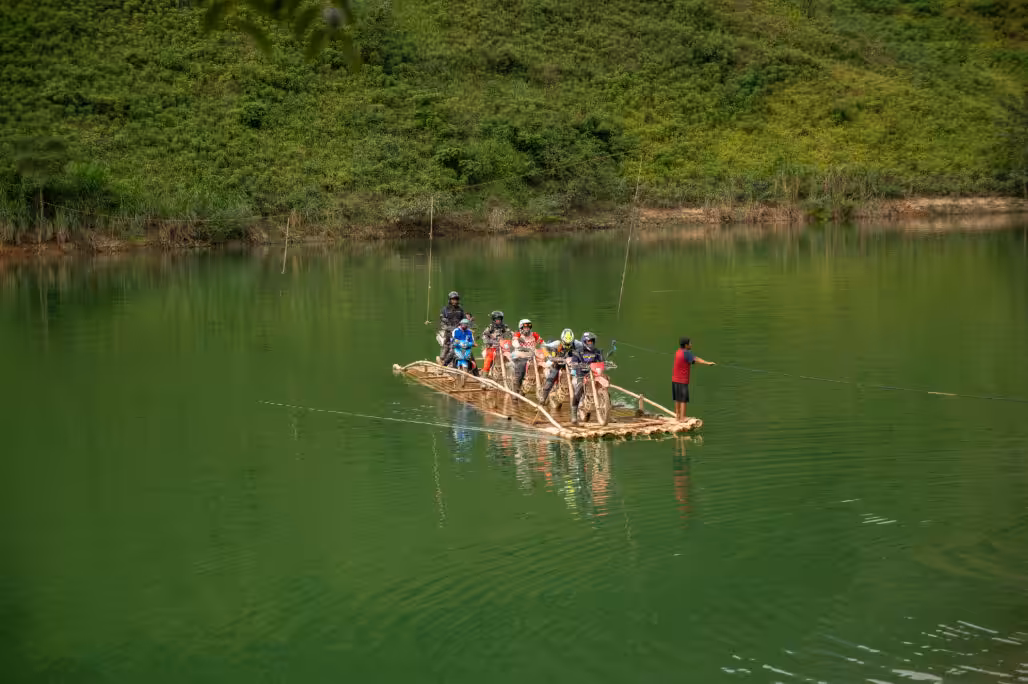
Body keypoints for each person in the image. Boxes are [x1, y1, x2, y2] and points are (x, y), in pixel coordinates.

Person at [672, 336, 714, 421]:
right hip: (682, 380)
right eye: (690, 343)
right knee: (683, 400)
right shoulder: (687, 353)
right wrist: (708, 363)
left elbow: (695, 357)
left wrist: (707, 362)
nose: (691, 344)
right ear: (686, 345)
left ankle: (677, 417)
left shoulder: (678, 351)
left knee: (677, 398)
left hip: (675, 379)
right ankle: (683, 418)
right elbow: (695, 360)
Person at [569, 331, 605, 424]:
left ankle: (607, 411)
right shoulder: (578, 352)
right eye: (589, 341)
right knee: (578, 391)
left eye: (592, 341)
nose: (591, 343)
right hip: (581, 374)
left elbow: (601, 361)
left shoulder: (597, 351)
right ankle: (573, 415)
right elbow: (573, 362)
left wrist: (606, 364)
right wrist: (575, 365)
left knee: (605, 388)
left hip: (594, 374)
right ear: (584, 342)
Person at [539, 328, 581, 404]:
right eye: (566, 343)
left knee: (580, 379)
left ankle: (581, 399)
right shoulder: (557, 344)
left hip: (572, 364)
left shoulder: (577, 343)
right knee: (551, 378)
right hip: (558, 363)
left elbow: (585, 347)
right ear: (562, 340)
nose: (568, 345)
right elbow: (544, 346)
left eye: (570, 343)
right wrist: (548, 356)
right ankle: (542, 399)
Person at [438, 291, 471, 366]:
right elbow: (442, 322)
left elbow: (465, 320)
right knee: (446, 348)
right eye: (453, 299)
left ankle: (472, 368)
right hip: (449, 332)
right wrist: (448, 328)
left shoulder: (461, 309)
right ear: (449, 300)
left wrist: (468, 326)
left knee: (467, 347)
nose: (454, 301)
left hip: (459, 332)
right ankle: (443, 362)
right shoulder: (445, 310)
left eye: (456, 299)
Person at [511, 318, 543, 394]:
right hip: (521, 356)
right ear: (521, 327)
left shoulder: (534, 334)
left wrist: (547, 349)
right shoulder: (518, 334)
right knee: (520, 371)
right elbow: (514, 341)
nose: (527, 329)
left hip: (532, 355)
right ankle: (515, 391)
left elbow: (542, 343)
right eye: (525, 327)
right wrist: (519, 346)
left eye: (528, 327)